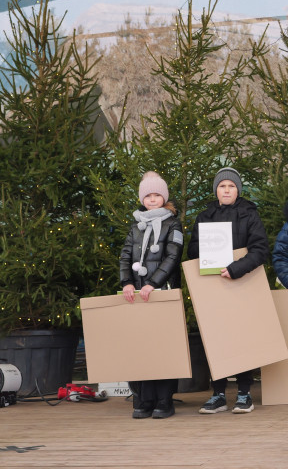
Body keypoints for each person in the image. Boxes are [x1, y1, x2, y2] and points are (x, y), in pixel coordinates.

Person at [185, 167, 269, 414]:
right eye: (222, 186)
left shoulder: (250, 215)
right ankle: (218, 394)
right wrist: (208, 258)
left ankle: (244, 394)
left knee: (243, 338)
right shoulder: (204, 216)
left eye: (231, 186)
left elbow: (260, 249)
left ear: (238, 190)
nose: (227, 190)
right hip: (212, 287)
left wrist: (235, 268)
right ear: (216, 190)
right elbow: (192, 251)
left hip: (241, 282)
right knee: (215, 339)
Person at [119, 171, 184, 419]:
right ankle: (143, 399)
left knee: (164, 347)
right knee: (141, 346)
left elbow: (172, 256)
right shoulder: (136, 226)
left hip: (162, 293)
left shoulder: (172, 224)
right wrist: (127, 281)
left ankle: (164, 401)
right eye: (148, 195)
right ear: (142, 199)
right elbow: (126, 255)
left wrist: (154, 283)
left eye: (157, 195)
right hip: (137, 294)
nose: (153, 199)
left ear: (164, 198)